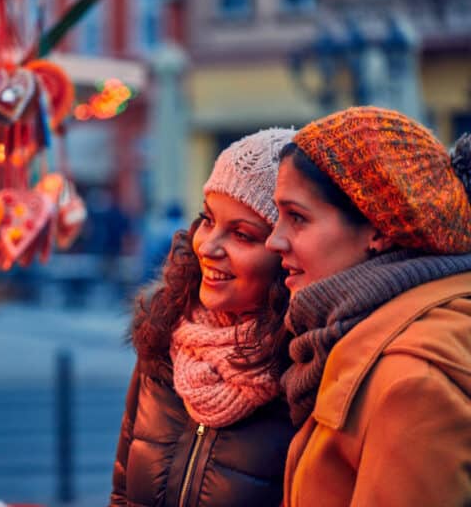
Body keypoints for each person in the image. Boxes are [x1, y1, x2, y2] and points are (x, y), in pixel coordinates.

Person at [266, 107, 471, 506]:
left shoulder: (411, 382)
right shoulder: (360, 335)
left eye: (297, 218)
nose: (274, 240)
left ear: (378, 228)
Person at [110, 129, 297, 507]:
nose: (208, 247)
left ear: (286, 253)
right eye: (208, 220)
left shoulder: (305, 372)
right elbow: (123, 493)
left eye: (242, 235)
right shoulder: (165, 336)